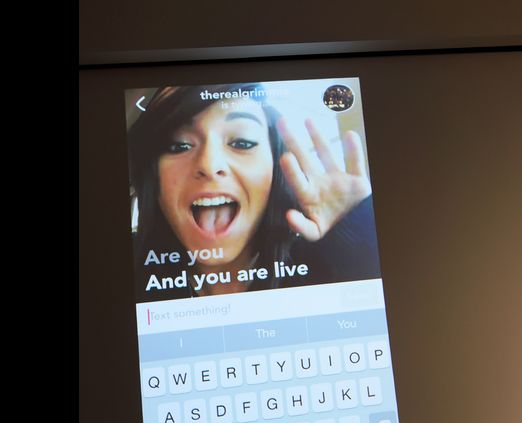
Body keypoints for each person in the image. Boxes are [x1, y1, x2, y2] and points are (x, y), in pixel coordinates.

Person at [127, 83, 381, 301]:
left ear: (275, 167)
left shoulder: (327, 263)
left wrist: (356, 230)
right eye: (179, 145)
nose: (210, 165)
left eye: (241, 142)